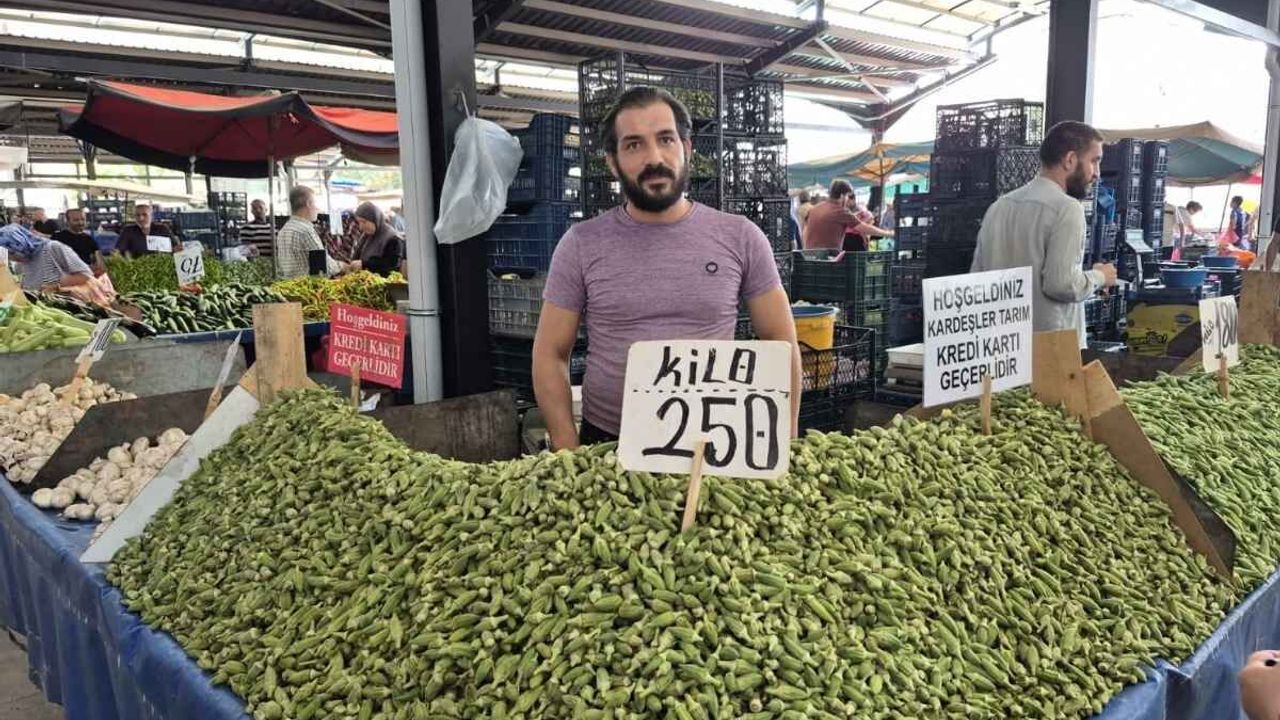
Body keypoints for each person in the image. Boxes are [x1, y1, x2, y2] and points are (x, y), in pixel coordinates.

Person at [532, 85, 801, 449]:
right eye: (633, 145)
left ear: (686, 149)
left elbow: (780, 342)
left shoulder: (741, 237)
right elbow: (550, 353)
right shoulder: (581, 244)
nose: (653, 157)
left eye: (665, 139)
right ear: (612, 161)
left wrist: (785, 439)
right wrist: (567, 447)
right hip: (609, 442)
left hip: (718, 441)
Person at [970, 120, 1118, 348]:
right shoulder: (1067, 209)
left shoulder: (999, 206)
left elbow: (977, 278)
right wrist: (1100, 276)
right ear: (1070, 160)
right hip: (1051, 352)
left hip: (1001, 348)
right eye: (1094, 161)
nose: (1097, 173)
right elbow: (1061, 284)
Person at [276, 186, 348, 279]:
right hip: (308, 289)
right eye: (315, 203)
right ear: (309, 204)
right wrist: (342, 266)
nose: (317, 208)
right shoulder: (306, 231)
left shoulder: (284, 230)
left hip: (289, 287)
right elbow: (323, 266)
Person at [0, 224, 94, 293]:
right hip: (42, 311)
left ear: (20, 242)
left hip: (69, 307)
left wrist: (56, 287)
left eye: (12, 252)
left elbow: (86, 275)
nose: (12, 258)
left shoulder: (52, 248)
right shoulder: (21, 263)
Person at [802, 180, 894, 251]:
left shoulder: (816, 208)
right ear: (842, 196)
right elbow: (863, 228)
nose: (847, 200)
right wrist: (888, 234)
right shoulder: (839, 211)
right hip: (828, 260)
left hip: (809, 257)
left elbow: (805, 229)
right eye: (847, 196)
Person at [352, 202, 405, 277]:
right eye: (359, 222)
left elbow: (391, 266)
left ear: (375, 219)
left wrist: (364, 264)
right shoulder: (366, 237)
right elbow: (356, 256)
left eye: (364, 222)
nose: (360, 227)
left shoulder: (393, 239)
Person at [51, 208, 105, 274]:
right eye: (76, 220)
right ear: (67, 221)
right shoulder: (57, 238)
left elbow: (100, 265)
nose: (80, 223)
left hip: (86, 276)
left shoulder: (89, 239)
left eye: (83, 219)